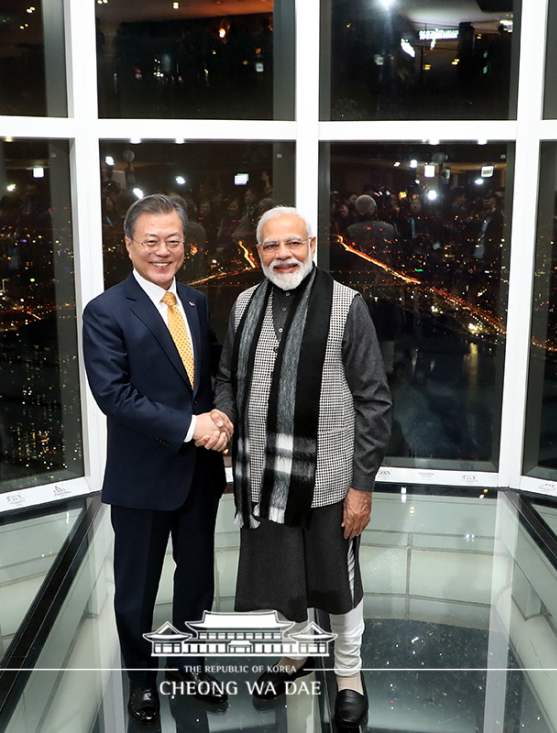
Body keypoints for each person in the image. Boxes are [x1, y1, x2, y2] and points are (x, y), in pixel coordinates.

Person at [214, 206, 392, 728]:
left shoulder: (345, 305)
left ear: (311, 245)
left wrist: (362, 486)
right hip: (263, 479)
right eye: (272, 246)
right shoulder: (245, 304)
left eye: (293, 243)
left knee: (338, 584)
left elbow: (375, 401)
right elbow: (228, 376)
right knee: (281, 581)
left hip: (330, 480)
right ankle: (294, 655)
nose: (283, 254)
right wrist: (225, 416)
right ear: (258, 251)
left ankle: (349, 674)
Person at [82, 194, 233, 725]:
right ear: (128, 244)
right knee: (137, 590)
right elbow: (114, 396)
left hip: (199, 476)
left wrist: (223, 417)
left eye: (173, 241)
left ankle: (193, 667)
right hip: (142, 478)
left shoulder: (194, 300)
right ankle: (141, 680)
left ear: (185, 246)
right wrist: (193, 427)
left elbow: (212, 374)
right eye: (150, 241)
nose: (162, 251)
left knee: (196, 581)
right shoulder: (104, 311)